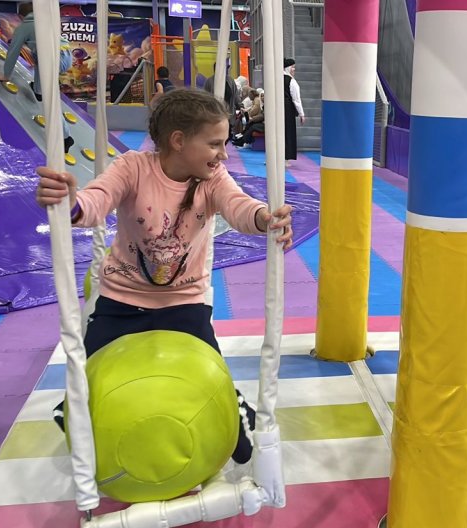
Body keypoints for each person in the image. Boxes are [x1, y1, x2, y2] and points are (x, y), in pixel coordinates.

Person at [35, 89, 294, 465]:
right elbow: (95, 202)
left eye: (223, 144)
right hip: (122, 299)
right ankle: (74, 413)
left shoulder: (212, 179)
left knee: (215, 383)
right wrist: (70, 203)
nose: (223, 154)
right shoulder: (133, 168)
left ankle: (235, 413)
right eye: (214, 144)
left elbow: (238, 205)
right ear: (178, 141)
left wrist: (263, 217)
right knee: (83, 383)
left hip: (183, 303)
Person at [0, 1, 75, 153]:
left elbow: (13, 52)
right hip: (66, 55)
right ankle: (38, 90)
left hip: (52, 59)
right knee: (38, 57)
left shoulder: (24, 27)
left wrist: (6, 75)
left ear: (21, 16)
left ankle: (65, 138)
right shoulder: (45, 22)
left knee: (51, 102)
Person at [283, 58, 304, 166]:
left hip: (276, 110)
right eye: (293, 67)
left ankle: (274, 157)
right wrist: (301, 114)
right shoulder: (291, 81)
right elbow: (296, 99)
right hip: (287, 110)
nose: (294, 69)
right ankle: (286, 158)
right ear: (289, 68)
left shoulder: (276, 79)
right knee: (288, 133)